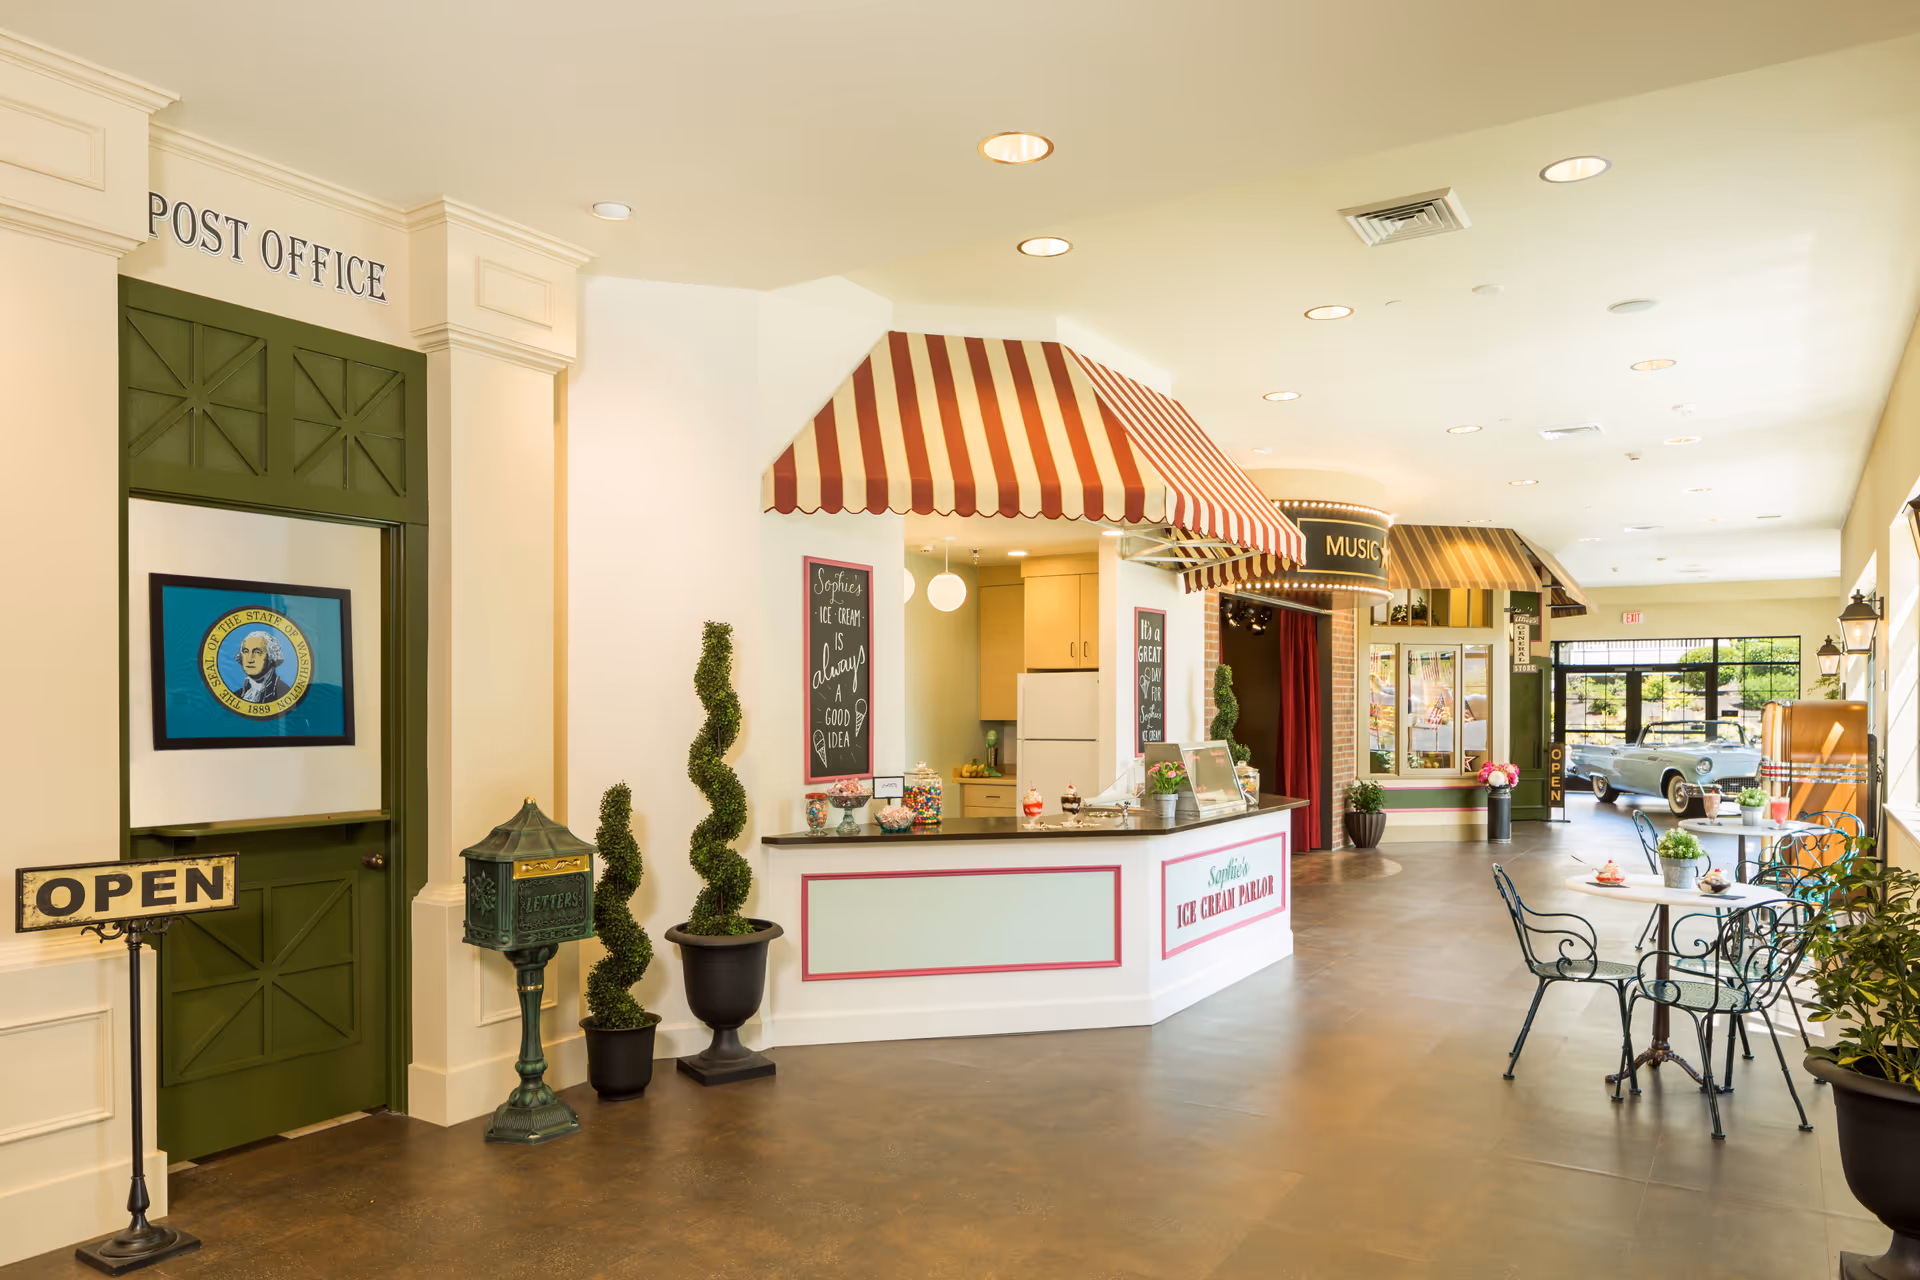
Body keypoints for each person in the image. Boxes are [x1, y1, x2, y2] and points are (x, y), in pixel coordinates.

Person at [233, 630, 292, 703]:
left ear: (271, 657)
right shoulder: (236, 696)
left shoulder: (284, 694)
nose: (250, 659)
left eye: (257, 652)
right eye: (246, 651)